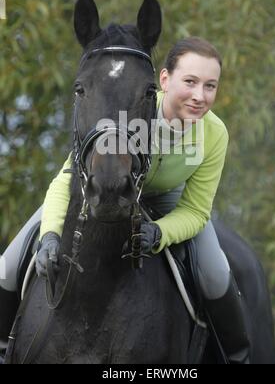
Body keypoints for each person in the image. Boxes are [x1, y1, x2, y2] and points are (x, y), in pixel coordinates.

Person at [0, 37, 250, 364]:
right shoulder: (131, 107)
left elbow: (196, 209)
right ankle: (4, 349)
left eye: (210, 86)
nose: (199, 96)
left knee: (216, 273)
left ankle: (238, 357)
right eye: (190, 82)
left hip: (171, 201)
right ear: (164, 79)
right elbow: (66, 179)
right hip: (113, 186)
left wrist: (160, 233)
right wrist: (49, 234)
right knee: (6, 266)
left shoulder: (215, 133)